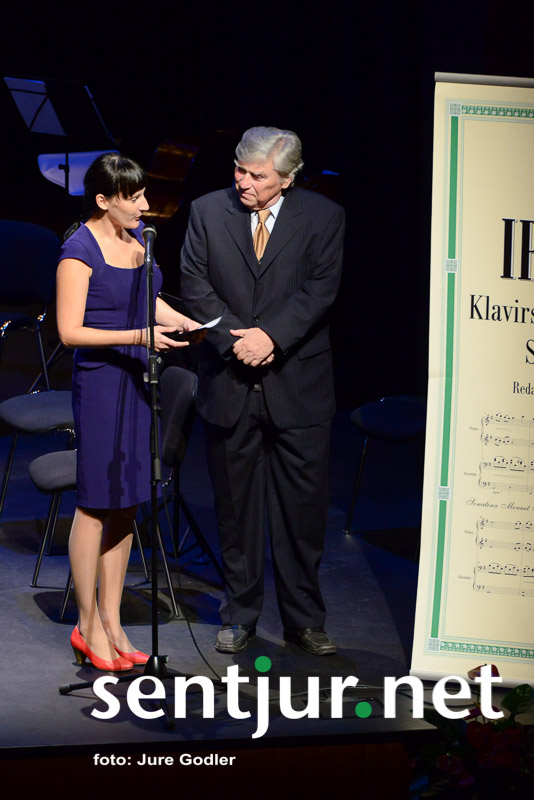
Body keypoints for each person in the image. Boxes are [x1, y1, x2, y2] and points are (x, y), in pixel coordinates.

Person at [180, 127, 345, 655]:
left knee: (302, 513)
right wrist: (239, 341)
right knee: (236, 512)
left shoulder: (324, 217)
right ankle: (240, 616)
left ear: (288, 179)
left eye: (258, 176)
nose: (244, 182)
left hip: (298, 386)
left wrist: (271, 336)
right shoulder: (208, 211)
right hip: (230, 383)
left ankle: (305, 621)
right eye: (240, 170)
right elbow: (194, 285)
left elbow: (320, 290)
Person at [57, 153, 197, 671]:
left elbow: (146, 299)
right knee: (96, 503)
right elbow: (70, 332)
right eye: (133, 197)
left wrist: (183, 322)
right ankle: (86, 624)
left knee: (126, 501)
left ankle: (113, 622)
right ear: (102, 200)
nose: (144, 205)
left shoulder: (137, 240)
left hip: (138, 381)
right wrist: (140, 336)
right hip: (101, 385)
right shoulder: (78, 250)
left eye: (142, 194)